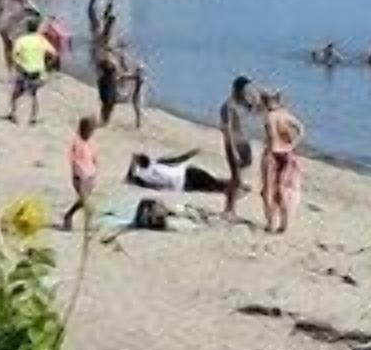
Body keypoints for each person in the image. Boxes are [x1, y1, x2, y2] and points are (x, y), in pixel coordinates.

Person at [260, 89, 305, 234]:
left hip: (272, 153)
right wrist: (292, 144)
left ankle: (271, 223)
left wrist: (273, 144)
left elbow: (272, 135)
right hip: (286, 153)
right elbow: (301, 128)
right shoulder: (285, 114)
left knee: (268, 190)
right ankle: (284, 224)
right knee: (282, 189)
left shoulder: (270, 116)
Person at [219, 76, 261, 220]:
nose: (248, 92)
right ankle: (229, 210)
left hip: (245, 141)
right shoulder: (228, 106)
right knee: (236, 177)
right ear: (238, 89)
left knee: (247, 165)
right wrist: (233, 150)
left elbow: (257, 109)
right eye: (246, 89)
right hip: (234, 143)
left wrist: (256, 97)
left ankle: (233, 188)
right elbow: (227, 129)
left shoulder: (244, 103)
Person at [7, 16, 56, 126]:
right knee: (34, 95)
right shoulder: (41, 40)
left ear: (27, 28)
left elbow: (14, 56)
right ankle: (33, 118)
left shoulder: (21, 40)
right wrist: (47, 66)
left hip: (24, 72)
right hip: (38, 73)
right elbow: (53, 53)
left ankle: (13, 113)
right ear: (36, 28)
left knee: (16, 94)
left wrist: (18, 65)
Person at [126, 150, 226, 193]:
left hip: (187, 173)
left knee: (213, 182)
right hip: (183, 184)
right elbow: (130, 179)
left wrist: (189, 155)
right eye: (141, 156)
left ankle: (233, 186)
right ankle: (232, 188)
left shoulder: (156, 162)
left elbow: (176, 160)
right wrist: (132, 163)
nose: (145, 155)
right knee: (211, 186)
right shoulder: (144, 175)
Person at [61, 115, 98, 231]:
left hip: (90, 176)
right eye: (89, 130)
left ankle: (69, 215)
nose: (90, 133)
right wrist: (78, 175)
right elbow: (75, 160)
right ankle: (86, 224)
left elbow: (93, 157)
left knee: (82, 202)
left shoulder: (90, 143)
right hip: (80, 177)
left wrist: (95, 170)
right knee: (87, 204)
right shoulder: (77, 143)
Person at [93, 40, 122, 127]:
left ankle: (105, 120)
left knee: (111, 102)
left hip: (111, 82)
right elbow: (100, 68)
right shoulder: (104, 59)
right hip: (106, 82)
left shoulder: (114, 59)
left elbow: (117, 71)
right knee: (106, 101)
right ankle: (104, 119)